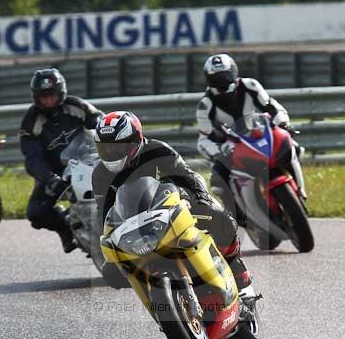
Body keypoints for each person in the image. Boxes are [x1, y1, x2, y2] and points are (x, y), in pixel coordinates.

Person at [91, 111, 254, 295]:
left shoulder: (158, 151)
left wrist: (202, 197)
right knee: (111, 274)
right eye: (105, 148)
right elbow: (105, 214)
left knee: (221, 218)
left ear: (135, 141)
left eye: (117, 147)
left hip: (175, 208)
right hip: (135, 225)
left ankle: (235, 265)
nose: (111, 153)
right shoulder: (100, 174)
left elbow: (187, 175)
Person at [19, 68, 102, 253]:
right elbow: (33, 160)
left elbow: (100, 122)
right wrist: (51, 179)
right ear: (36, 97)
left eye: (52, 95)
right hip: (58, 173)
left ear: (61, 93)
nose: (48, 100)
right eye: (43, 96)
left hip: (88, 160)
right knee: (36, 212)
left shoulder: (77, 106)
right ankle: (66, 230)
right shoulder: (31, 122)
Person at [195, 53, 291, 211]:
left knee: (291, 145)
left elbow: (271, 106)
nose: (222, 82)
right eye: (217, 79)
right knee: (218, 180)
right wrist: (220, 151)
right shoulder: (205, 105)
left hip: (257, 135)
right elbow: (203, 141)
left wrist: (282, 122)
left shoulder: (250, 85)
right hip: (231, 148)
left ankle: (299, 190)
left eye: (226, 76)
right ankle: (237, 215)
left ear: (234, 72)